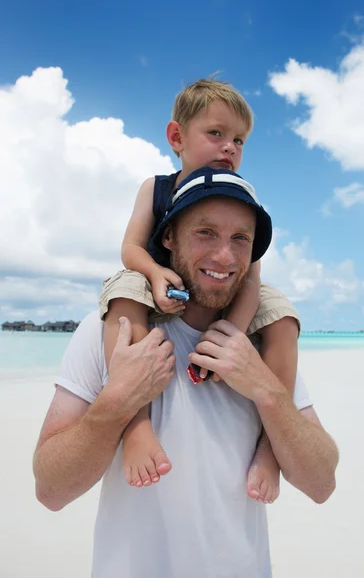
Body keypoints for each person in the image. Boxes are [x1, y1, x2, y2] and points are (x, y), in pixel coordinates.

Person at [33, 175, 338, 578]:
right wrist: (117, 403)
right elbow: (51, 491)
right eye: (206, 233)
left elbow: (321, 484)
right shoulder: (108, 330)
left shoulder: (262, 346)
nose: (225, 256)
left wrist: (265, 390)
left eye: (241, 239)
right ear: (169, 238)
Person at [102, 77, 299, 503]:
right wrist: (155, 273)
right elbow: (130, 248)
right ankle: (136, 425)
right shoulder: (156, 189)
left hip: (226, 299)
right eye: (216, 134)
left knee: (282, 316)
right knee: (124, 292)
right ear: (177, 137)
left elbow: (250, 276)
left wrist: (231, 334)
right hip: (162, 282)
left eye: (239, 140)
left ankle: (269, 448)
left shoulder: (241, 198)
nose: (230, 147)